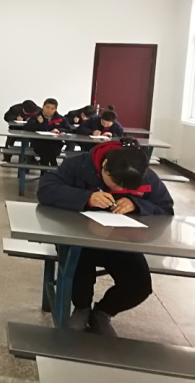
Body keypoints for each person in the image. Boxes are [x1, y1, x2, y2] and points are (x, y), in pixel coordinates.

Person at [38, 139, 173, 336]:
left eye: (125, 187)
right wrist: (86, 197)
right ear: (104, 166)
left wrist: (137, 204)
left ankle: (102, 312)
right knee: (79, 272)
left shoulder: (144, 174)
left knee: (139, 284)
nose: (118, 190)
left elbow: (165, 208)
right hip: (78, 238)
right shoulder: (78, 165)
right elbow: (45, 189)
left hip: (121, 241)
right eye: (115, 183)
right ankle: (82, 309)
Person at [24, 98, 71, 167]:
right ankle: (52, 166)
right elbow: (27, 127)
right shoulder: (36, 117)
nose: (49, 110)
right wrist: (39, 123)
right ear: (43, 107)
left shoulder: (60, 119)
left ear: (55, 109)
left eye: (52, 108)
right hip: (39, 142)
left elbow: (68, 129)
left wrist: (59, 130)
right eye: (47, 107)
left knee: (52, 150)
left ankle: (46, 169)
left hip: (55, 142)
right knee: (45, 150)